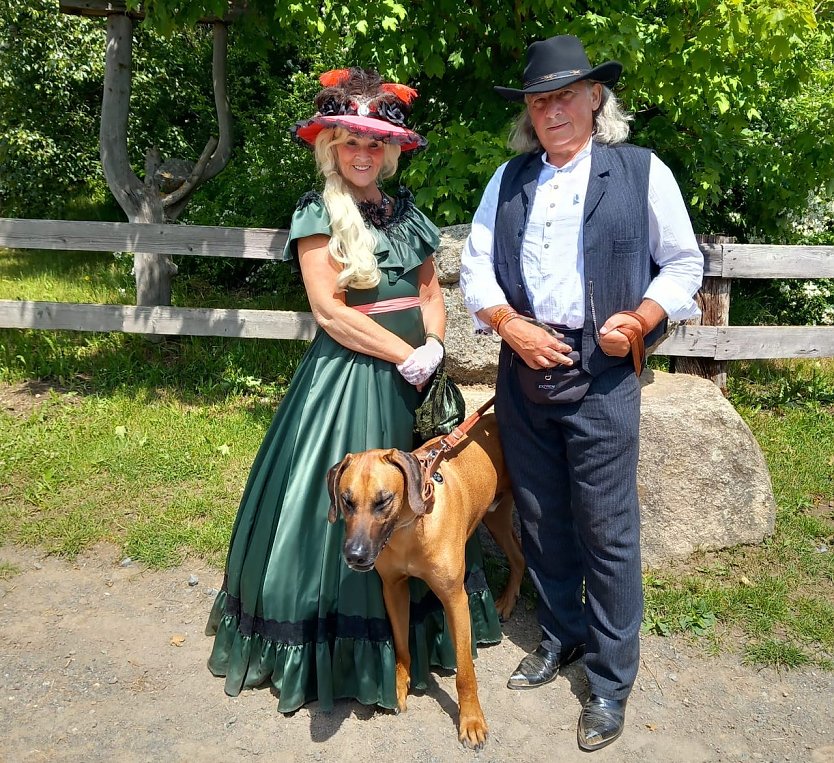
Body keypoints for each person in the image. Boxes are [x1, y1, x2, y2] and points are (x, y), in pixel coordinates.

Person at [205, 67, 501, 713]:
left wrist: (434, 347)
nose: (363, 154)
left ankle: (423, 631)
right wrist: (404, 354)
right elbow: (329, 310)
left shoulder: (409, 214)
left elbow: (428, 292)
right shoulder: (317, 212)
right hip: (346, 381)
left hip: (411, 384)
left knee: (422, 503)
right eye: (350, 141)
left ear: (389, 150)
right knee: (343, 503)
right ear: (331, 146)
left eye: (374, 143)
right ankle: (333, 650)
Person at [460, 35, 704, 751]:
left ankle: (609, 677)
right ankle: (562, 633)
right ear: (528, 114)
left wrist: (642, 317)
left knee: (607, 528)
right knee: (540, 517)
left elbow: (684, 261)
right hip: (525, 371)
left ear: (597, 98)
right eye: (540, 100)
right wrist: (509, 324)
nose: (553, 109)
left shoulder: (639, 171)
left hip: (601, 378)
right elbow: (477, 271)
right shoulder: (508, 181)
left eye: (566, 94)